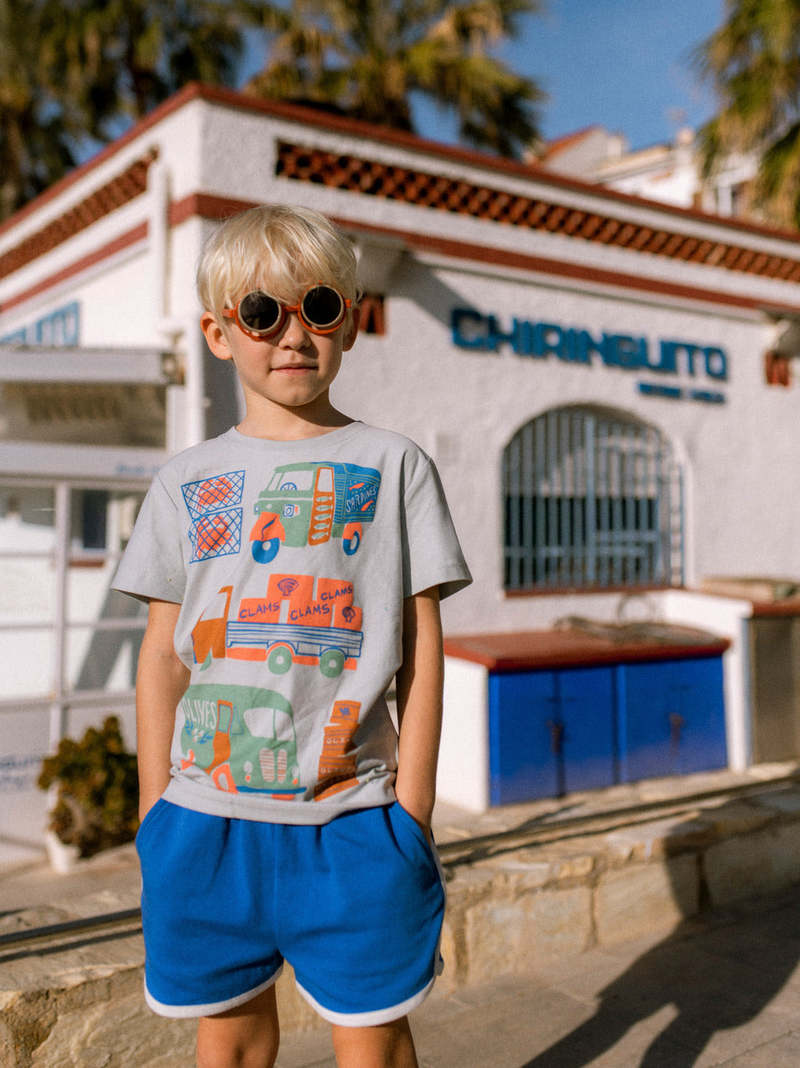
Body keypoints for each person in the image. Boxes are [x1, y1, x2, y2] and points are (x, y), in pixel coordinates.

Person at [113, 203, 471, 1068]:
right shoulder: (184, 480)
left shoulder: (394, 464)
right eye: (261, 312)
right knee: (230, 1041)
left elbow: (421, 648)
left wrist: (414, 809)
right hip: (203, 824)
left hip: (356, 821)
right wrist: (154, 812)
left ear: (349, 321)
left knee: (373, 1044)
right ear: (218, 332)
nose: (293, 334)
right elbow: (162, 656)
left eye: (317, 307)